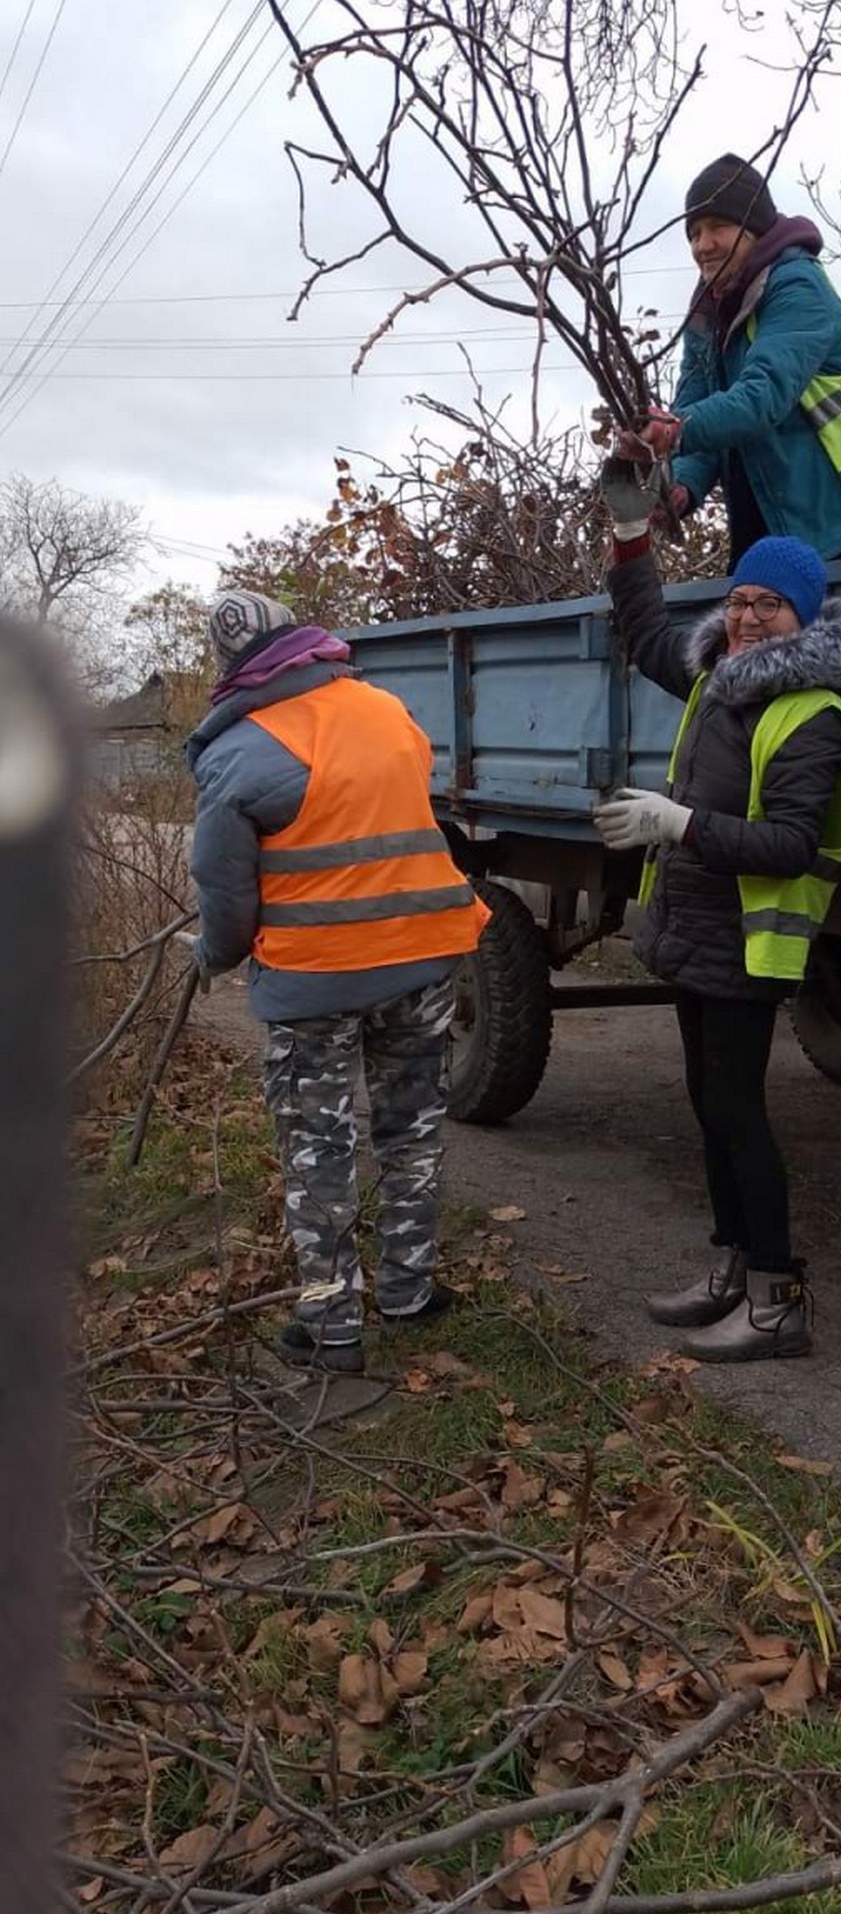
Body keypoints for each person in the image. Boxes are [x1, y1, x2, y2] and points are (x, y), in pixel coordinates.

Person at [593, 464, 841, 1359]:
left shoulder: (809, 711)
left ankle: (778, 1300)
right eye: (742, 599)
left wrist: (676, 823)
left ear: (805, 616)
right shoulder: (722, 681)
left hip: (750, 943)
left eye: (772, 606)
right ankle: (730, 1266)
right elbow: (644, 636)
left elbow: (794, 843)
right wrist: (633, 537)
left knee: (739, 1111)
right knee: (708, 1105)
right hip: (696, 930)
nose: (751, 618)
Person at [185, 590, 489, 1376]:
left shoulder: (238, 750)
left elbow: (225, 894)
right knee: (411, 1127)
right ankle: (410, 1288)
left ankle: (330, 1324)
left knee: (319, 1143)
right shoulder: (387, 710)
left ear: (232, 668)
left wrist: (213, 956)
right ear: (304, 640)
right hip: (423, 956)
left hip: (316, 978)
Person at [616, 153, 841, 566]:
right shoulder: (708, 311)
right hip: (768, 506)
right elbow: (695, 415)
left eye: (718, 227)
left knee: (806, 623)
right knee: (757, 620)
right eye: (694, 233)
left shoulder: (798, 287)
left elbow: (761, 397)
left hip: (836, 510)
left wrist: (671, 432)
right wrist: (684, 484)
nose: (702, 245)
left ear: (753, 229)